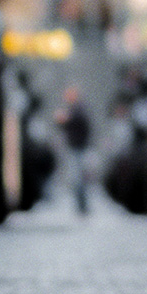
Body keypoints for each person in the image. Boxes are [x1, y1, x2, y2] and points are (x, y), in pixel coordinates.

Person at [55, 86, 93, 215]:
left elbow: (79, 123)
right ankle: (81, 207)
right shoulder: (74, 109)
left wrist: (66, 119)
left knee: (77, 178)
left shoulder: (78, 109)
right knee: (76, 178)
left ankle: (82, 207)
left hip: (78, 148)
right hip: (74, 147)